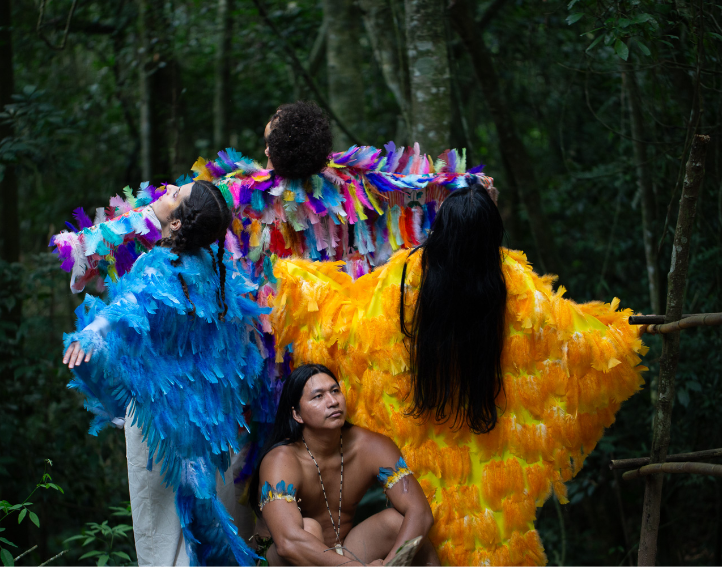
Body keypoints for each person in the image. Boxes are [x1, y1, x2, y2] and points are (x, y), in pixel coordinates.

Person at [268, 184, 647, 565]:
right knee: (490, 533)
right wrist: (620, 332)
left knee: (426, 521)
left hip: (425, 434)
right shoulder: (511, 278)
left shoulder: (407, 274)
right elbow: (565, 336)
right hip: (493, 436)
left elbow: (357, 330)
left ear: (440, 229)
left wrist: (302, 290)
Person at [62, 179, 266, 567]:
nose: (166, 193)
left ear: (176, 224)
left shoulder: (157, 268)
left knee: (164, 534)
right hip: (212, 421)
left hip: (160, 421)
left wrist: (90, 333)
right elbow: (240, 349)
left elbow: (129, 305)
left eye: (174, 196)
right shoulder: (222, 273)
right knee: (212, 524)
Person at [250, 364, 440, 567]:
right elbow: (288, 543)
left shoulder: (371, 447)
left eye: (335, 391)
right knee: (309, 528)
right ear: (297, 414)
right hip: (286, 558)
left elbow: (420, 513)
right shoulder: (281, 460)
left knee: (401, 525)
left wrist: (392, 564)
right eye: (318, 396)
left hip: (344, 553)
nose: (333, 401)